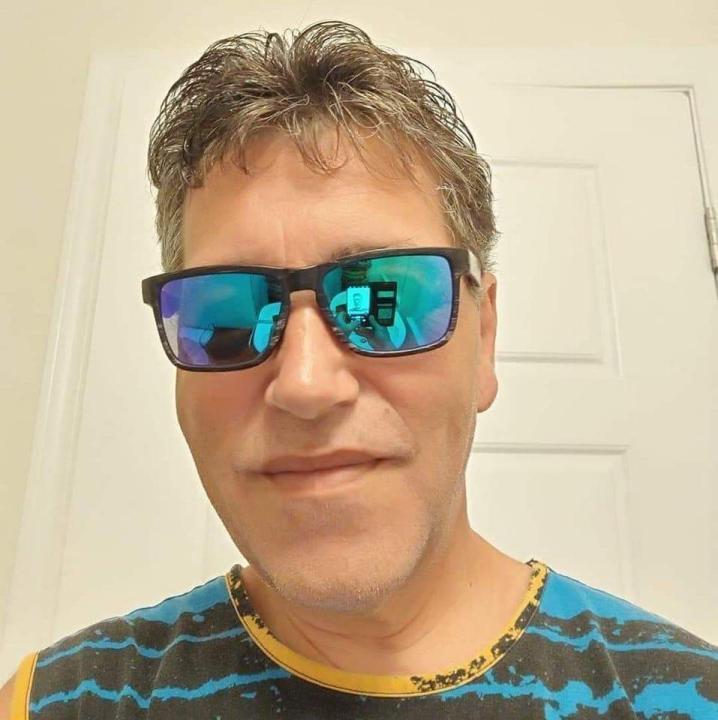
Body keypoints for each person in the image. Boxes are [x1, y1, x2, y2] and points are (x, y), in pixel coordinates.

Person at [2, 20, 717, 719]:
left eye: (385, 298)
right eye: (227, 316)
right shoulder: (52, 702)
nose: (306, 385)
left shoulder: (688, 698)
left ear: (484, 336)